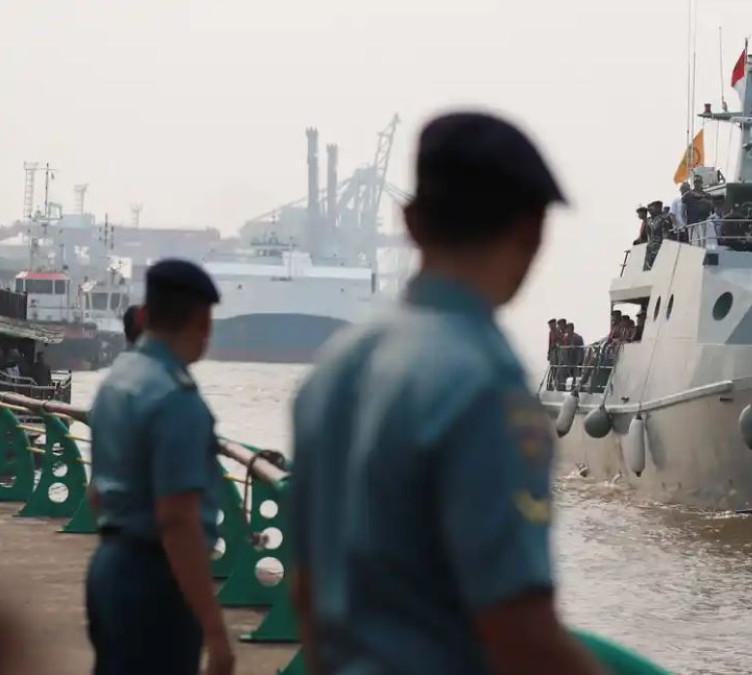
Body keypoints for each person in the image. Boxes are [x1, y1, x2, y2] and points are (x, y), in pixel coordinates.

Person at [288, 112, 603, 675]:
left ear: (410, 223)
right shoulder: (484, 383)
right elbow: (519, 631)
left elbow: (307, 589)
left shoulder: (336, 365)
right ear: (532, 231)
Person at [86, 259, 231, 675]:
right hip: (157, 582)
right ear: (204, 323)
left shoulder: (117, 381)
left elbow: (97, 493)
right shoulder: (175, 398)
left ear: (146, 315)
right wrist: (215, 630)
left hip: (110, 568)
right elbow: (177, 519)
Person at [643, 200, 668, 270]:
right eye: (649, 209)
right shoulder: (649, 220)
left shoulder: (663, 219)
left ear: (658, 208)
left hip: (658, 246)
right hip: (650, 248)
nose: (649, 210)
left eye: (652, 208)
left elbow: (666, 235)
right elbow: (648, 234)